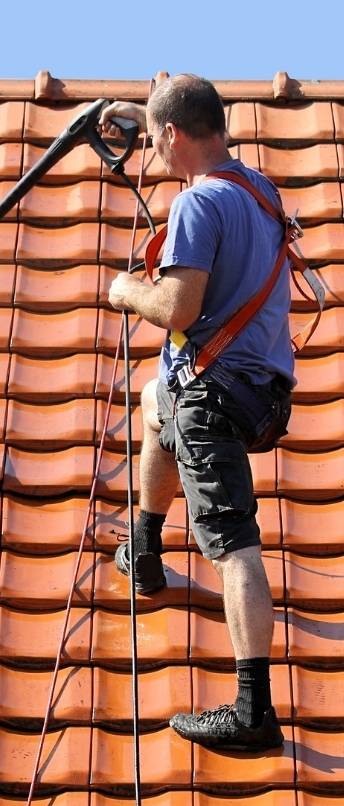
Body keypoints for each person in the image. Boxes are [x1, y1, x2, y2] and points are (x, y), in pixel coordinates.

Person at [99, 75, 294, 752]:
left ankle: (252, 711)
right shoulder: (258, 191)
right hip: (264, 391)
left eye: (153, 137)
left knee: (232, 544)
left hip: (217, 396)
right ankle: (146, 549)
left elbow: (177, 309)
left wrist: (128, 291)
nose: (148, 147)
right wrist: (136, 113)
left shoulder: (198, 204)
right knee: (157, 401)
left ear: (174, 136)